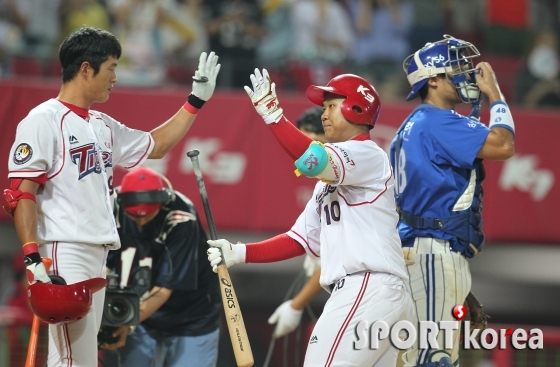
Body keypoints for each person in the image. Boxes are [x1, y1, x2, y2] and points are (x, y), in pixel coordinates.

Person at [4, 26, 220, 367]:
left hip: (98, 250)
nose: (116, 77)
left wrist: (195, 102)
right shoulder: (42, 121)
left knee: (83, 358)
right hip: (64, 248)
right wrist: (33, 259)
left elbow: (157, 144)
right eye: (112, 68)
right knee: (72, 359)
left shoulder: (101, 124)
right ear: (86, 68)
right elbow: (20, 194)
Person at [207, 69, 414, 366]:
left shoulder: (367, 153)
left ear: (355, 107)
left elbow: (311, 160)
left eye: (331, 105)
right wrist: (238, 252)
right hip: (376, 293)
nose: (324, 115)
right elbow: (297, 240)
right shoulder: (327, 183)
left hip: (367, 288)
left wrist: (273, 114)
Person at [390, 35, 515, 367]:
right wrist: (496, 96)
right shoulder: (436, 120)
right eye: (455, 68)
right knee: (433, 358)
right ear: (432, 79)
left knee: (421, 357)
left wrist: (457, 288)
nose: (465, 73)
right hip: (433, 250)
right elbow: (504, 145)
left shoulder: (413, 123)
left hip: (428, 250)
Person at [99, 167, 221, 367]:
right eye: (134, 216)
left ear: (162, 202)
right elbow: (102, 266)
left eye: (148, 215)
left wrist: (126, 326)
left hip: (191, 316)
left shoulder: (181, 218)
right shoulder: (111, 207)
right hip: (136, 310)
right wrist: (109, 317)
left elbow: (165, 289)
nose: (141, 221)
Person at [267, 106, 327, 339]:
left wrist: (296, 305)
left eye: (304, 143)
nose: (299, 154)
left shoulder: (345, 174)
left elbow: (333, 261)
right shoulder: (323, 184)